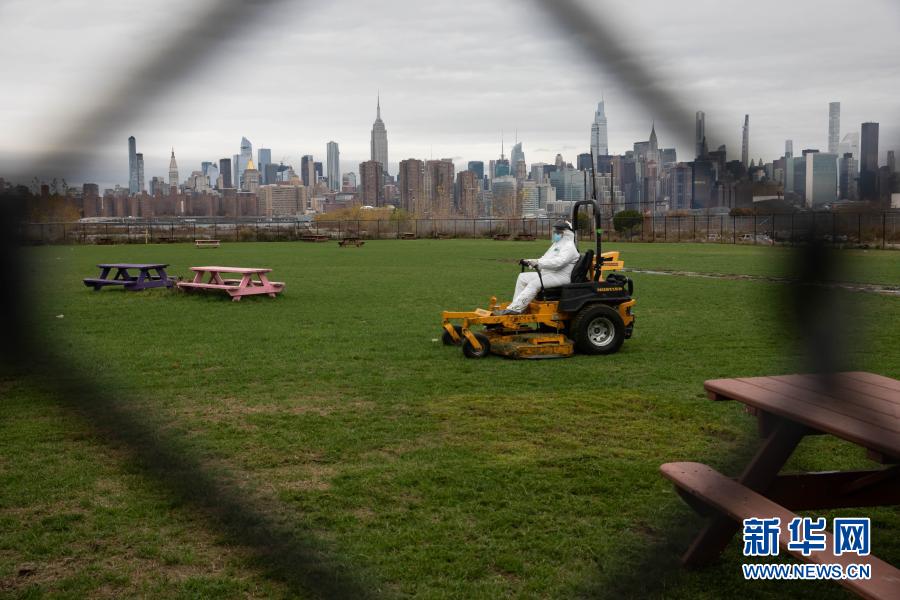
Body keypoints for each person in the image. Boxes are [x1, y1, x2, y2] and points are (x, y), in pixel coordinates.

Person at [494, 220, 580, 315]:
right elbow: (544, 258)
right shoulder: (556, 245)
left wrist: (539, 263)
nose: (555, 234)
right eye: (555, 231)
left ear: (566, 233)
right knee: (522, 277)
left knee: (534, 283)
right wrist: (529, 261)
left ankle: (515, 309)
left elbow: (559, 262)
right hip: (550, 273)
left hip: (561, 276)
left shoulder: (569, 246)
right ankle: (517, 306)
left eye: (558, 232)